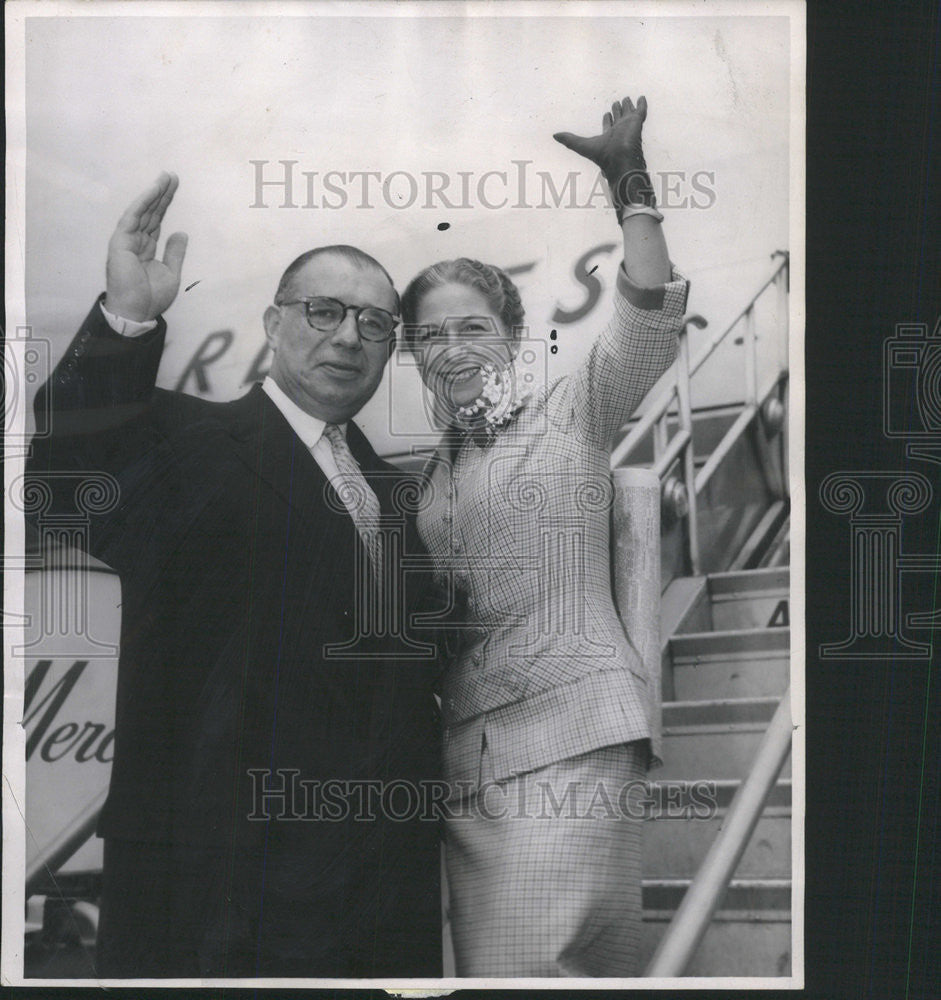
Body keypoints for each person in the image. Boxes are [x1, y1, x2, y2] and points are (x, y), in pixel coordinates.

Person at [27, 174, 443, 978]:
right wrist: (128, 321)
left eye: (374, 323)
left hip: (373, 891)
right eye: (324, 311)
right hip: (216, 880)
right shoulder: (186, 440)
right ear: (273, 323)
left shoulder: (397, 496)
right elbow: (61, 472)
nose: (348, 337)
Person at [399, 95, 689, 976]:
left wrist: (627, 179)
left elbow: (646, 318)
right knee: (499, 973)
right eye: (431, 335)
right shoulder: (426, 479)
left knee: (540, 970)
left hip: (574, 732)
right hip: (468, 763)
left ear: (515, 336)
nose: (452, 350)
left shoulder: (573, 409)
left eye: (472, 329)